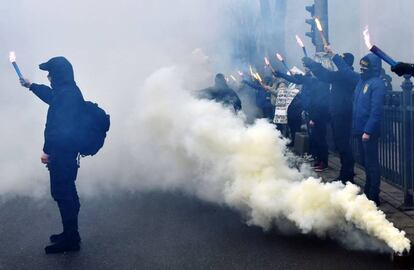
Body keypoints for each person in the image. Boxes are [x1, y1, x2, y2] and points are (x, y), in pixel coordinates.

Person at [20, 57, 84, 253]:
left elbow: (56, 129)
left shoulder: (66, 95)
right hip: (67, 151)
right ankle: (71, 234)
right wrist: (31, 86)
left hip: (62, 152)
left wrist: (47, 151)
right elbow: (50, 96)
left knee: (63, 194)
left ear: (59, 74)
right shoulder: (68, 91)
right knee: (67, 192)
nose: (48, 76)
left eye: (50, 73)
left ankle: (71, 240)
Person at [335, 52, 386, 206]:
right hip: (359, 130)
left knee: (371, 164)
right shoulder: (361, 81)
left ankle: (373, 195)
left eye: (365, 66)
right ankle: (368, 191)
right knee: (365, 162)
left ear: (373, 67)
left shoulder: (377, 84)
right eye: (361, 66)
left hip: (368, 132)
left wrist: (368, 131)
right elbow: (346, 71)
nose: (362, 69)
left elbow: (376, 111)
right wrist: (334, 56)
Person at [302, 51, 356, 184]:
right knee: (341, 146)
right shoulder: (340, 75)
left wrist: (332, 56)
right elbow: (325, 75)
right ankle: (345, 174)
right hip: (337, 113)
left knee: (344, 146)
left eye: (341, 61)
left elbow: (327, 75)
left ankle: (347, 175)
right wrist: (312, 64)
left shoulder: (348, 76)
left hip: (344, 114)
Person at [274, 66, 330, 172]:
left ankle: (323, 162)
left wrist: (314, 117)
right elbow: (294, 79)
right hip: (309, 111)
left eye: (309, 69)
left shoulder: (320, 83)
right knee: (314, 138)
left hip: (317, 115)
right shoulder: (310, 80)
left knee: (320, 139)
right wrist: (281, 74)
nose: (306, 70)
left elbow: (320, 103)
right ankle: (316, 158)